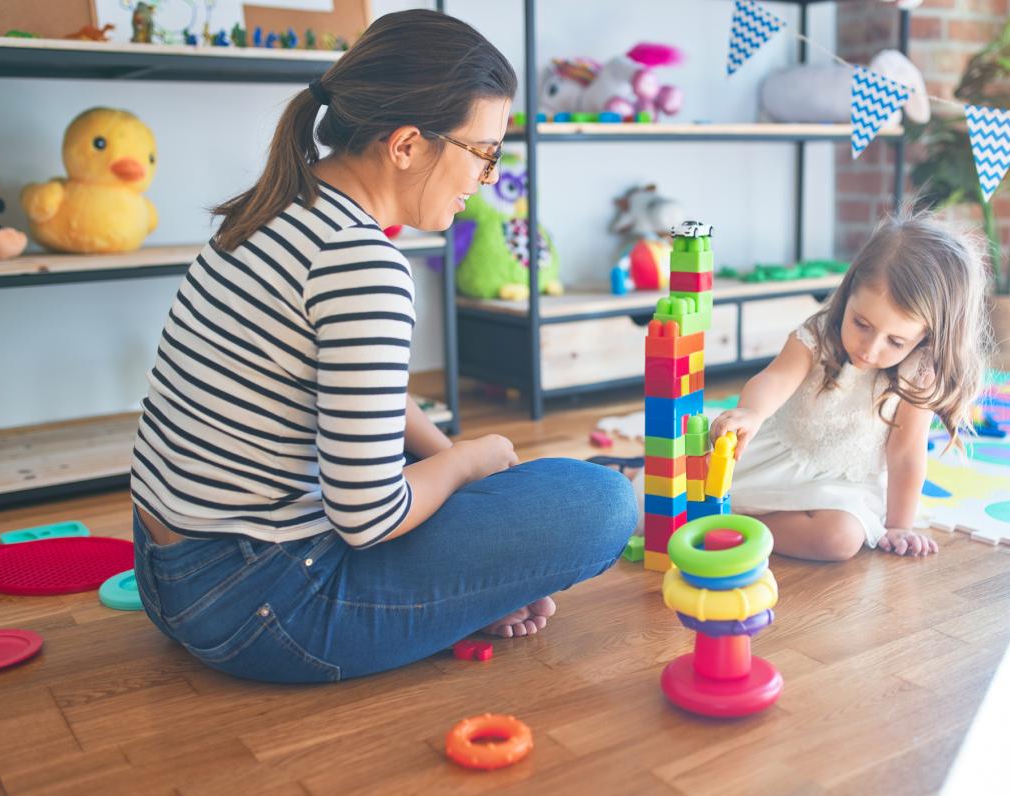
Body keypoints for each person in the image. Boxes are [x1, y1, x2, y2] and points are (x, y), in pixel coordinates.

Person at [129, 9, 637, 684]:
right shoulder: (361, 261)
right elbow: (367, 517)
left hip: (169, 573)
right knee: (602, 501)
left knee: (477, 485)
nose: (485, 178)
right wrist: (468, 463)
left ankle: (450, 597)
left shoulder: (279, 205)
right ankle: (449, 600)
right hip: (265, 605)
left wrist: (449, 455)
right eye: (483, 152)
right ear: (405, 145)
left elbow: (358, 393)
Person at [709, 208, 992, 560]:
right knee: (686, 478)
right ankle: (715, 512)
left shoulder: (920, 372)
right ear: (850, 292)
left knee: (840, 539)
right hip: (778, 463)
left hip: (845, 488)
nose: (870, 350)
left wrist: (899, 525)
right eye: (861, 323)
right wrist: (751, 412)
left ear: (926, 336)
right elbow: (776, 378)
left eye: (896, 342)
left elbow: (905, 453)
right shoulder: (819, 334)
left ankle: (728, 525)